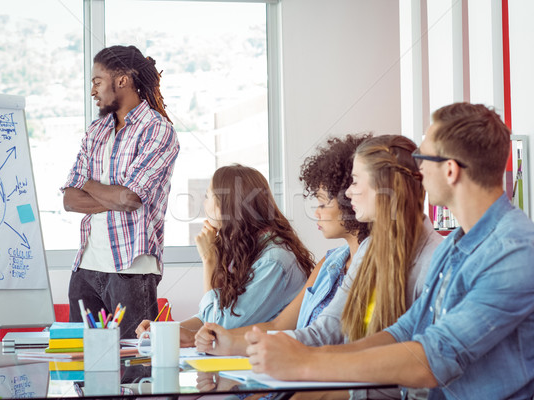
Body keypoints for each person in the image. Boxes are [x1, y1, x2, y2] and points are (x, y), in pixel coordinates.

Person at [245, 103, 534, 400]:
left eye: (424, 157)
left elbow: (434, 357)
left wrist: (305, 365)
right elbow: (405, 331)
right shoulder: (457, 244)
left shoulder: (516, 253)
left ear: (450, 170)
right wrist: (311, 356)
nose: (417, 169)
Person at [194, 134, 371, 357]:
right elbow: (279, 326)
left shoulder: (275, 259)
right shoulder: (329, 263)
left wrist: (209, 261)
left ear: (351, 202)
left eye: (322, 203)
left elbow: (318, 336)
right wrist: (185, 332)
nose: (315, 212)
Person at [61, 45, 179, 338]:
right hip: (86, 269)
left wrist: (86, 183)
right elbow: (69, 200)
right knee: (83, 371)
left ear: (122, 80)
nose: (92, 91)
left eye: (97, 81)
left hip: (131, 267)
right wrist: (109, 194)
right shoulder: (96, 131)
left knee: (134, 370)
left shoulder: (157, 130)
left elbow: (130, 199)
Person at [136, 164, 314, 346]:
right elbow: (209, 315)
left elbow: (218, 326)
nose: (204, 204)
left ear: (226, 205)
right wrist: (163, 331)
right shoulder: (246, 250)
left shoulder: (274, 260)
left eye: (207, 196)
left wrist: (209, 261)